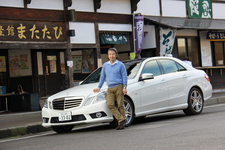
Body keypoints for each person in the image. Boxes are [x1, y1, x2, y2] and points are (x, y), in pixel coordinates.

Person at [93, 48, 127, 130]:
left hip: (119, 86)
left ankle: (121, 123)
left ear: (116, 55)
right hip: (110, 88)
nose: (111, 56)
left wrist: (124, 87)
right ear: (108, 56)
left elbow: (124, 76)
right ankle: (122, 119)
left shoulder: (120, 65)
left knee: (120, 104)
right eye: (110, 54)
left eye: (113, 54)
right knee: (110, 104)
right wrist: (99, 87)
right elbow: (102, 77)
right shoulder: (105, 65)